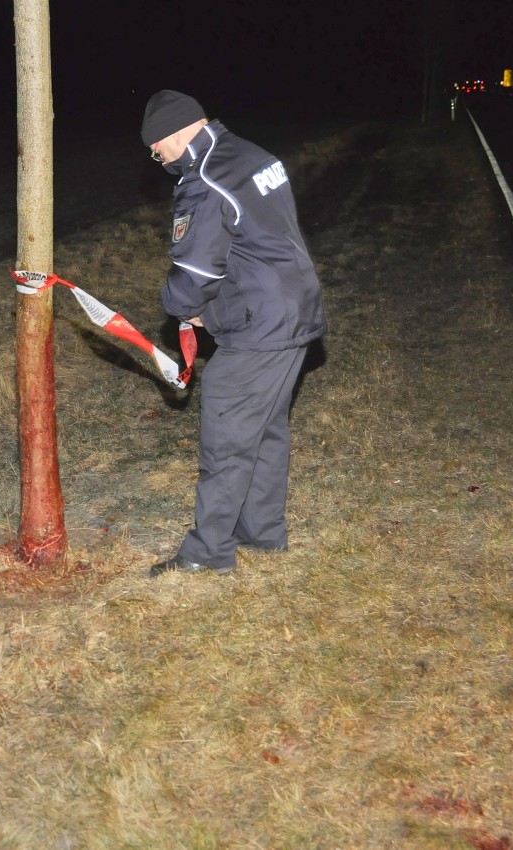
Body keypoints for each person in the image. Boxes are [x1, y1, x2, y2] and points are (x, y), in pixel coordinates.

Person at [141, 90, 326, 577]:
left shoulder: (204, 178)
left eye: (156, 149)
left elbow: (196, 270)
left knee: (226, 436)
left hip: (262, 324)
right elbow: (253, 242)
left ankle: (208, 552)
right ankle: (261, 533)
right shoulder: (251, 154)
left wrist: (182, 307)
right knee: (264, 431)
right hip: (293, 309)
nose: (156, 158)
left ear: (174, 133)